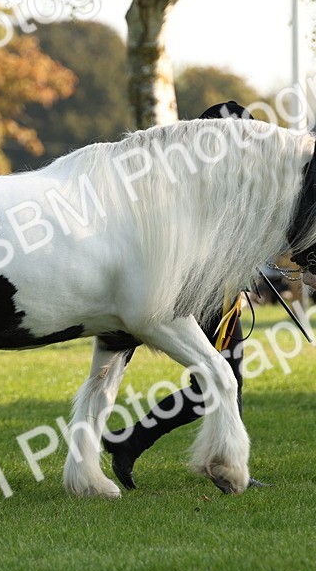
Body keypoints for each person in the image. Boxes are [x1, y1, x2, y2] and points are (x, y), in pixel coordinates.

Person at [101, 101, 259, 490]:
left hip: (217, 292)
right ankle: (134, 442)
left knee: (226, 378)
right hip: (198, 294)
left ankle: (139, 444)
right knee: (217, 381)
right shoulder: (197, 182)